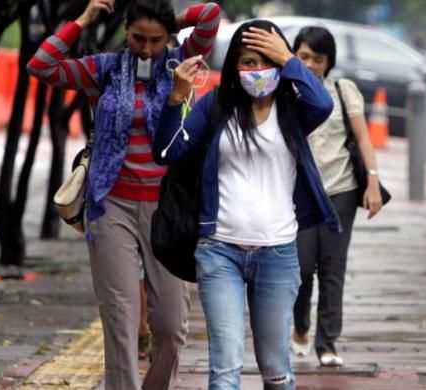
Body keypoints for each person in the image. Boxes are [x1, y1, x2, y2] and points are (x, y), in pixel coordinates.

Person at [27, 0, 221, 388]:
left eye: (155, 40)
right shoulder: (104, 68)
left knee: (170, 325)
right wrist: (82, 20)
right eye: (137, 38)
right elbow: (41, 65)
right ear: (125, 32)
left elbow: (211, 13)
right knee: (120, 317)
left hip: (167, 210)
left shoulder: (181, 60)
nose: (146, 49)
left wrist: (172, 22)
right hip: (110, 204)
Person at [154, 19, 339, 390]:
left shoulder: (293, 110)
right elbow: (165, 151)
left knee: (275, 369)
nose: (256, 71)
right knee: (224, 370)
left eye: (264, 61)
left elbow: (324, 103)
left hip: (278, 253)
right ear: (235, 67)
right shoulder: (216, 106)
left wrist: (287, 58)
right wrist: (176, 98)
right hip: (219, 251)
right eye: (247, 62)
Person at [288, 26, 384, 366]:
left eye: (318, 58)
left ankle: (327, 344)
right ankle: (299, 324)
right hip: (300, 193)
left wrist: (372, 181)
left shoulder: (344, 91)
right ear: (293, 56)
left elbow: (363, 138)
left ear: (329, 62)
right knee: (300, 268)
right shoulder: (286, 91)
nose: (311, 64)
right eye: (304, 57)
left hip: (340, 190)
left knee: (332, 267)